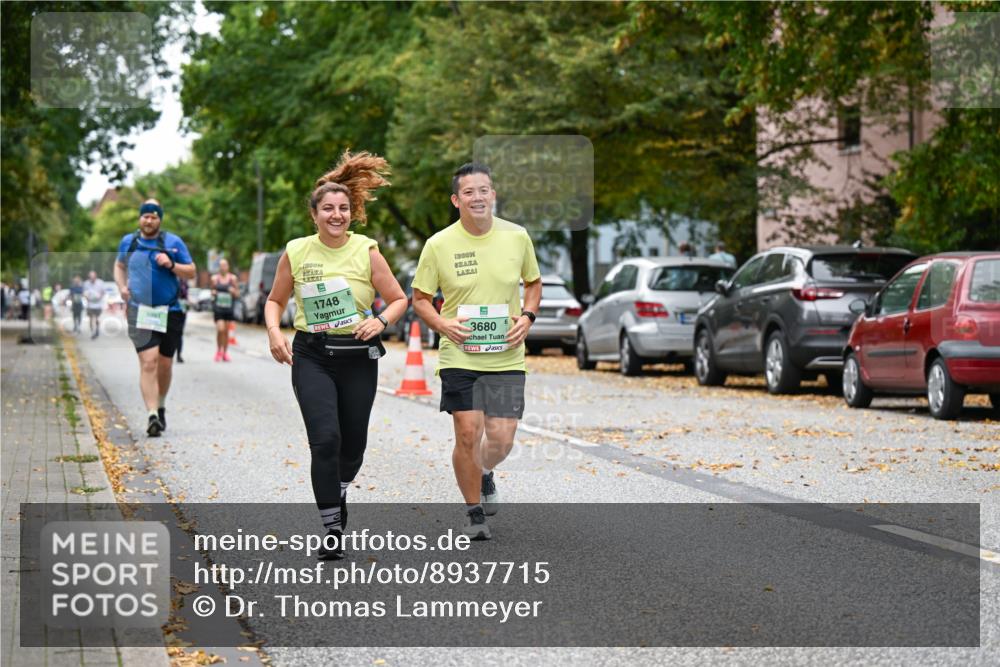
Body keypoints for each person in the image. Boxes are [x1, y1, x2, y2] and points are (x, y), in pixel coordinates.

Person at [265, 150, 406, 561]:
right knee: (325, 439)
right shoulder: (297, 251)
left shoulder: (367, 251)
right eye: (328, 208)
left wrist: (380, 322)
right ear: (314, 214)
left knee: (353, 445)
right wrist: (275, 333)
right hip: (313, 354)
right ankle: (332, 528)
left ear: (352, 212)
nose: (336, 214)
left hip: (358, 356)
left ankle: (339, 488)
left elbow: (398, 299)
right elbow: (275, 300)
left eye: (343, 208)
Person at [411, 163, 541, 540]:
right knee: (468, 433)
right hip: (460, 354)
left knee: (500, 439)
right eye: (468, 192)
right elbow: (420, 299)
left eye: (483, 190)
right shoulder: (438, 245)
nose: (477, 197)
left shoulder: (517, 237)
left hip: (505, 353)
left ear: (493, 195)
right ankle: (473, 513)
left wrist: (528, 316)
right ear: (456, 200)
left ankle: (485, 471)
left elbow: (533, 283)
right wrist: (442, 324)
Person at [113, 199, 196, 437]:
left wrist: (171, 264)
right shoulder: (128, 242)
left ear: (160, 219)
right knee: (148, 362)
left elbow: (191, 271)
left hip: (169, 311)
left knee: (165, 364)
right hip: (140, 310)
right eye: (145, 216)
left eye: (154, 216)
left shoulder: (173, 242)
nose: (149, 220)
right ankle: (151, 415)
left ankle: (160, 405)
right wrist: (121, 287)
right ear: (140, 218)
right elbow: (119, 266)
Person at [210, 258, 240, 362]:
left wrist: (233, 291)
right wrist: (213, 293)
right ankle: (219, 350)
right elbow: (212, 291)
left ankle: (225, 353)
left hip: (228, 309)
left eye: (225, 265)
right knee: (220, 329)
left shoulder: (233, 278)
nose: (223, 267)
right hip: (218, 308)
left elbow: (237, 294)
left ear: (228, 267)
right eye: (221, 265)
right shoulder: (214, 278)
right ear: (219, 267)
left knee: (226, 332)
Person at [82, 270, 106, 338]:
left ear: (96, 276)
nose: (92, 278)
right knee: (91, 318)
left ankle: (97, 329)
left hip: (98, 304)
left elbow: (103, 292)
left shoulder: (100, 282)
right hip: (90, 304)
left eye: (93, 277)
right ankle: (92, 332)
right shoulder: (86, 283)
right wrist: (87, 297)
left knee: (97, 318)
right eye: (90, 277)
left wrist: (100, 296)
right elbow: (84, 293)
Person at [175, 279, 189, 364]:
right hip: (169, 307)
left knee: (179, 332)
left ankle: (179, 355)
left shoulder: (184, 281)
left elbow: (186, 295)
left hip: (182, 308)